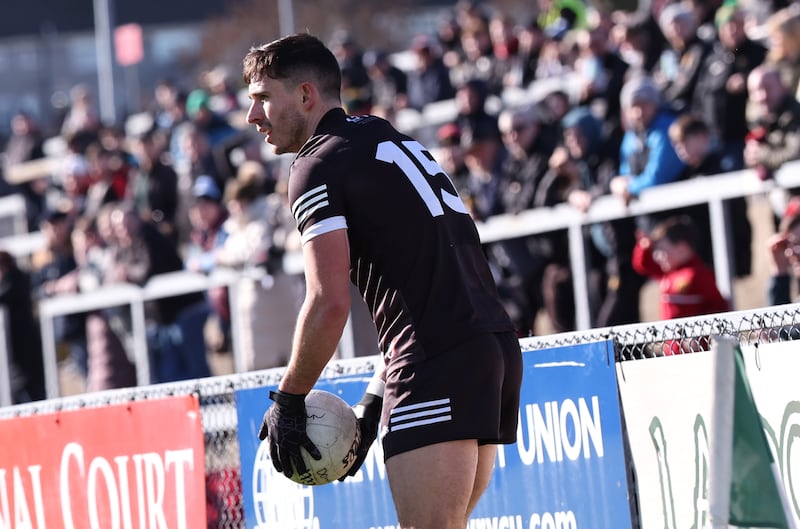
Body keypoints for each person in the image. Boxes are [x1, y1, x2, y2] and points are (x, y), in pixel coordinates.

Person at [242, 33, 522, 529]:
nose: (252, 117)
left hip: (436, 359)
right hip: (489, 347)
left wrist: (288, 399)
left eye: (263, 97)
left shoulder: (315, 165)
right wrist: (373, 403)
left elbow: (329, 303)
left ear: (306, 95)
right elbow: (426, 286)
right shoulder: (382, 135)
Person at [632, 215, 730, 355]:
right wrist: (643, 246)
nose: (658, 256)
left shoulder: (697, 275)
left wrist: (703, 335)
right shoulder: (667, 273)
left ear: (682, 248)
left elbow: (719, 306)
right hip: (672, 352)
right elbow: (642, 265)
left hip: (696, 352)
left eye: (662, 250)